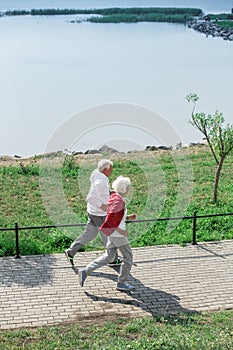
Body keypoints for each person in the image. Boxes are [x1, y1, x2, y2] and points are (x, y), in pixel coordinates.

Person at [78, 176, 137, 291]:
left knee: (109, 256)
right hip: (117, 234)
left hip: (112, 233)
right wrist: (121, 231)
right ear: (124, 189)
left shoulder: (115, 197)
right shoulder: (119, 201)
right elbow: (111, 219)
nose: (129, 189)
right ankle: (121, 283)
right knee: (128, 257)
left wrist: (128, 217)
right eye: (128, 187)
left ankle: (85, 271)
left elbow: (115, 216)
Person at [65, 159, 121, 266]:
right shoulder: (101, 183)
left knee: (90, 234)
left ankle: (71, 251)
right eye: (111, 169)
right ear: (106, 170)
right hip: (100, 214)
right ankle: (113, 260)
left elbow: (98, 193)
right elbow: (91, 197)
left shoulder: (97, 173)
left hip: (92, 212)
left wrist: (109, 192)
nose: (112, 171)